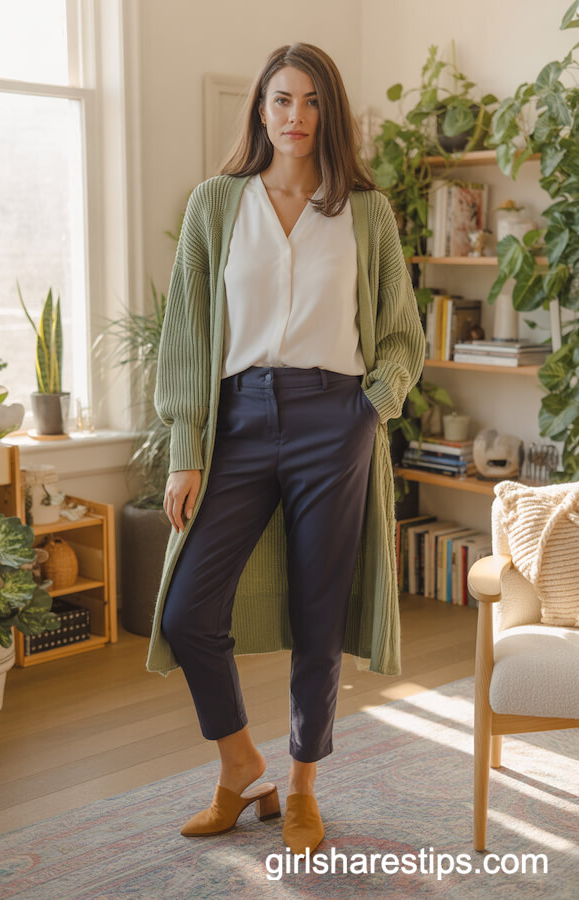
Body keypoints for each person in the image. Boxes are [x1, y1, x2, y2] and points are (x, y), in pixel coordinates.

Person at [146, 42, 426, 855]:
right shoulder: (216, 204)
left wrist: (371, 409)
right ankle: (241, 768)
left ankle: (301, 786)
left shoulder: (365, 212)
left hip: (333, 420)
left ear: (327, 113)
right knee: (189, 609)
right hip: (235, 420)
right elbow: (189, 336)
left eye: (310, 102)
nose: (295, 117)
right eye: (280, 101)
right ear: (259, 111)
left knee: (319, 611)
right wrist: (184, 448)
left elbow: (402, 336)